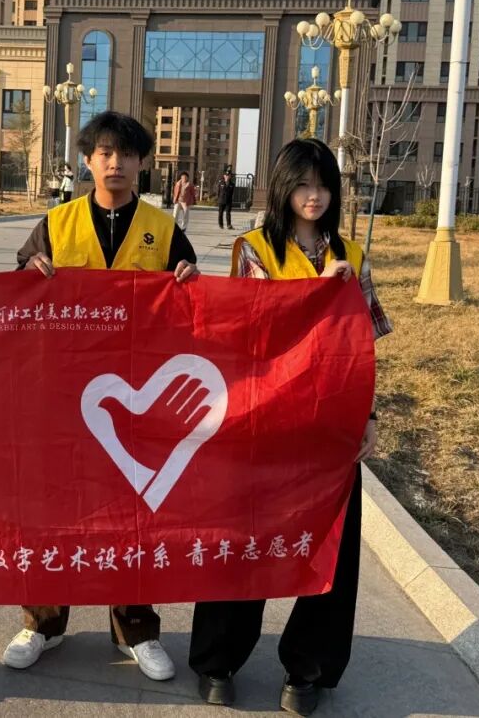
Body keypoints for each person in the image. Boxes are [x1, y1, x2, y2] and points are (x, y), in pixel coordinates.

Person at [188, 137, 392, 714]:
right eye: (302, 184)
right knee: (244, 539)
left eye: (323, 185)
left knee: (329, 545)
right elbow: (245, 336)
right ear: (282, 188)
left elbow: (363, 347)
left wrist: (368, 416)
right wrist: (316, 291)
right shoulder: (253, 250)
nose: (314, 196)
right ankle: (218, 658)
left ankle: (308, 667)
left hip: (329, 425)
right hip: (263, 421)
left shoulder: (352, 255)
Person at [8, 110, 200, 682]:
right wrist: (30, 269)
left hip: (136, 394)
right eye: (105, 153)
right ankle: (42, 623)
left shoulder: (162, 228)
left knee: (133, 512)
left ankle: (137, 629)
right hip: (64, 395)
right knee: (55, 507)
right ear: (88, 160)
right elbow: (18, 293)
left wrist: (188, 278)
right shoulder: (57, 223)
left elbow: (191, 302)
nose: (115, 163)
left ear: (142, 162)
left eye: (126, 154)